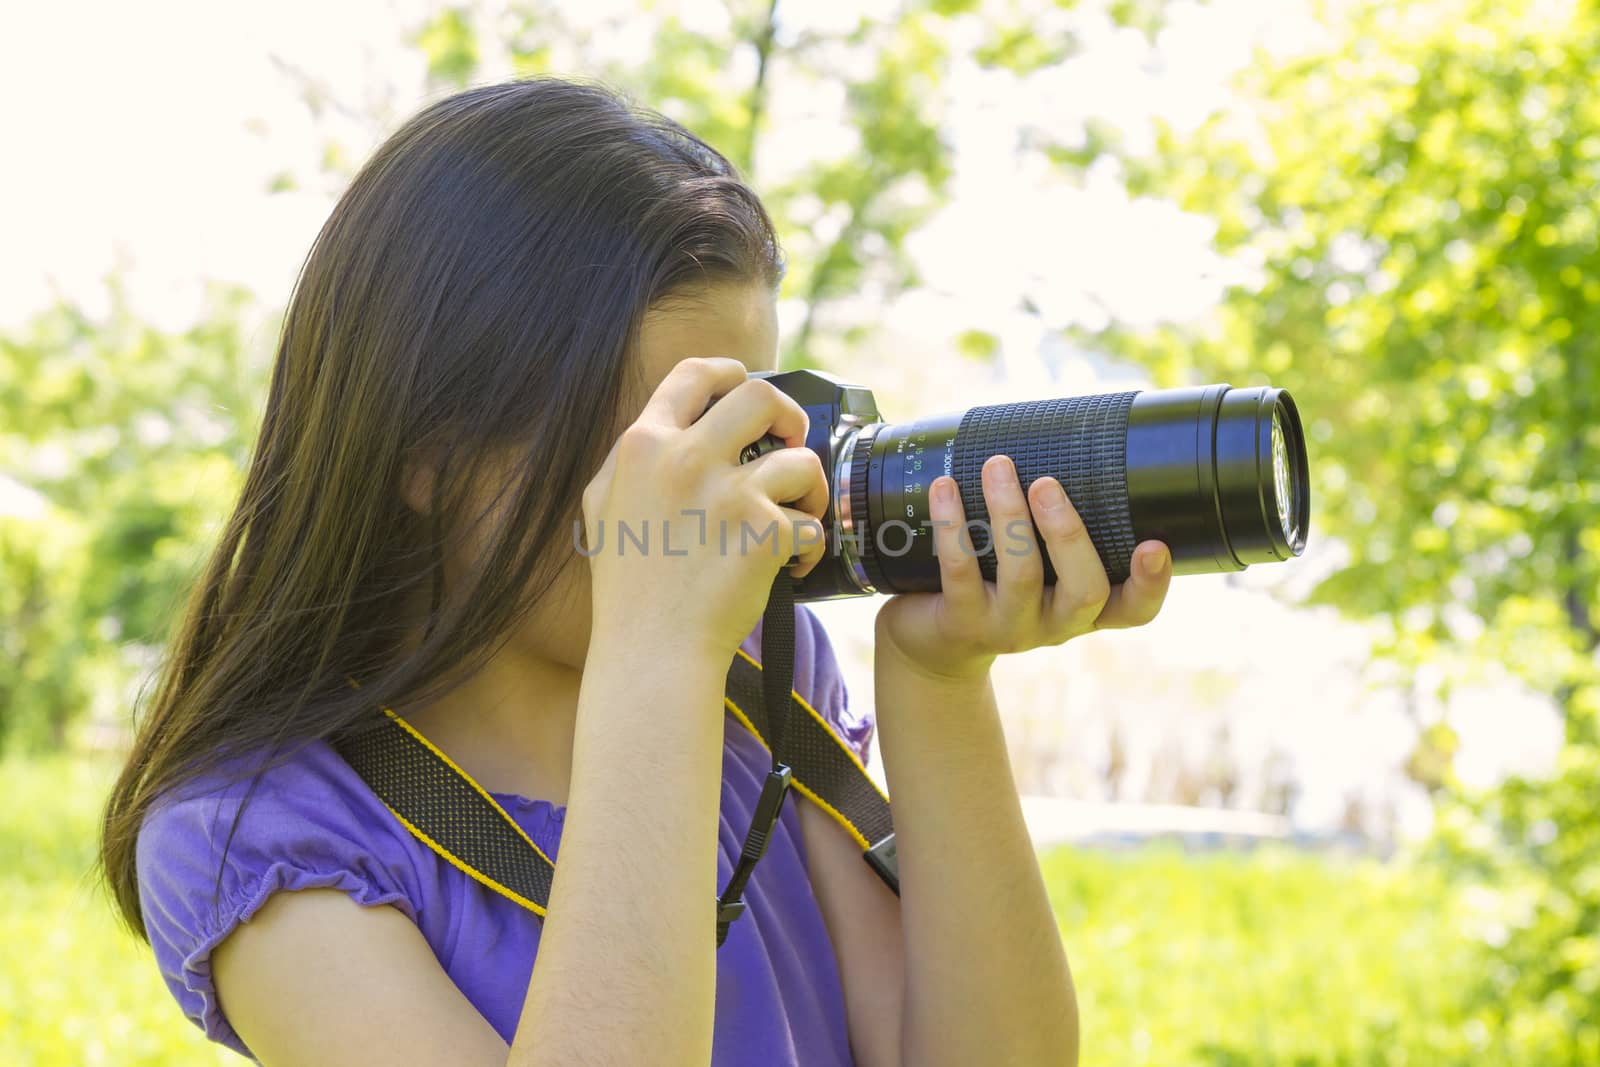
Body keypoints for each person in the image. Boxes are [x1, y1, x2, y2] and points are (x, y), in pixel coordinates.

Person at [98, 77, 1172, 1066]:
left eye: (740, 431)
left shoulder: (759, 685)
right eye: (664, 445)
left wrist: (937, 686)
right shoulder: (265, 829)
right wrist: (654, 657)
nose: (724, 494)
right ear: (426, 449)